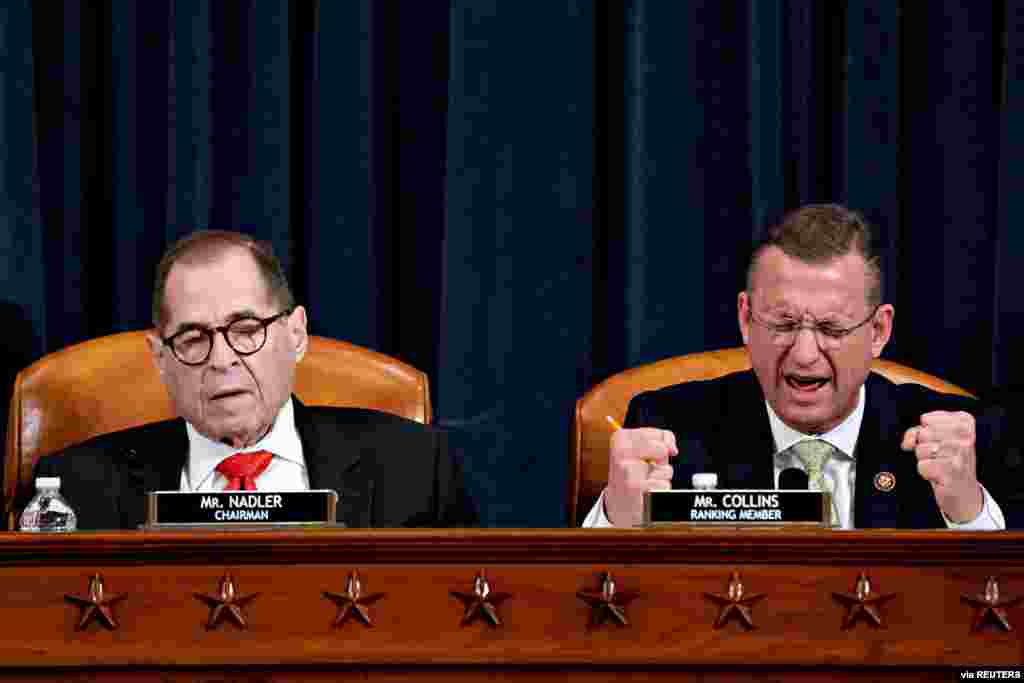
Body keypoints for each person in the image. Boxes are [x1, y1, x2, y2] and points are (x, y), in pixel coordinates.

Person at [585, 204, 1019, 529]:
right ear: (745, 319)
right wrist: (617, 519)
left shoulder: (959, 445)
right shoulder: (669, 430)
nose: (805, 353)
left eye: (831, 328)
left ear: (878, 331)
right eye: (784, 324)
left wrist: (968, 512)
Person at [33, 231, 476, 529]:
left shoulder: (417, 471)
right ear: (161, 358)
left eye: (246, 330)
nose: (222, 359)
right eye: (192, 337)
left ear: (296, 334)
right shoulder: (74, 492)